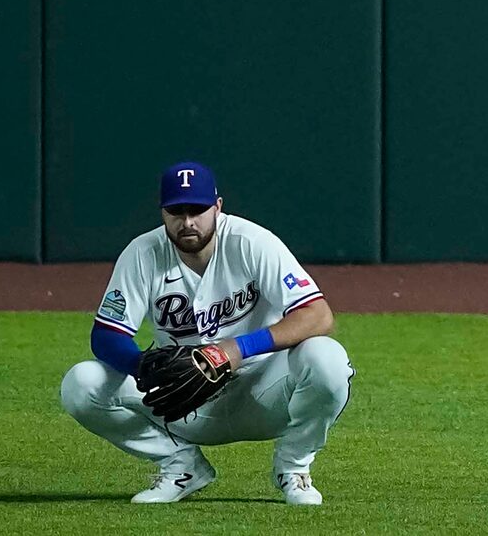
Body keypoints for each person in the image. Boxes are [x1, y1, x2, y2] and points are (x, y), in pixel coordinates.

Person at [59, 161, 352, 507]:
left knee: (327, 358)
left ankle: (294, 467)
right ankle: (181, 466)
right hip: (184, 402)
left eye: (197, 210)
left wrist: (235, 349)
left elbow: (317, 315)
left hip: (264, 391)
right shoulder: (143, 253)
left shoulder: (251, 242)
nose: (187, 222)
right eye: (176, 212)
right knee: (82, 383)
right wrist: (145, 367)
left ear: (218, 207)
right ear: (162, 212)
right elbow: (105, 335)